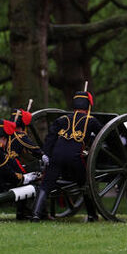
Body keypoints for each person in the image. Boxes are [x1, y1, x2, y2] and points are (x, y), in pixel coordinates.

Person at [32, 90, 103, 222]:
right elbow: (103, 137)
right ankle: (92, 215)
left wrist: (46, 154)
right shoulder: (91, 121)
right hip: (75, 158)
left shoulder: (62, 119)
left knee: (46, 184)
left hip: (56, 156)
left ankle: (36, 214)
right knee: (85, 184)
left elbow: (50, 138)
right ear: (88, 106)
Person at [6, 108, 42, 220]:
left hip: (4, 165)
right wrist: (43, 155)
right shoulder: (20, 136)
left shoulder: (7, 135)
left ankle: (22, 212)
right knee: (30, 181)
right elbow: (34, 149)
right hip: (13, 165)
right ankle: (24, 212)